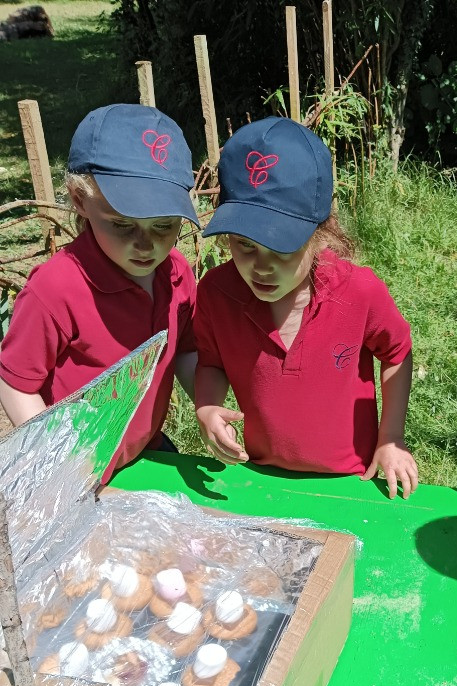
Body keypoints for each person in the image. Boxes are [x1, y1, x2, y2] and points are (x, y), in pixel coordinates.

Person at [193, 116, 418, 500]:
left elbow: (397, 351)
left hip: (350, 482)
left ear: (321, 231)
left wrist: (391, 439)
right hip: (260, 478)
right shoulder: (217, 293)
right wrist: (208, 407)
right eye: (244, 245)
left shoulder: (359, 291)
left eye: (281, 247)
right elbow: (211, 362)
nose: (261, 266)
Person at [0, 104, 199, 478]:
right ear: (80, 199)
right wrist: (54, 458)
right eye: (123, 225)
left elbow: (187, 350)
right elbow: (14, 383)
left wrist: (206, 403)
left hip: (145, 451)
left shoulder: (176, 275)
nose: (146, 245)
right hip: (75, 468)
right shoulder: (55, 289)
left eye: (163, 226)